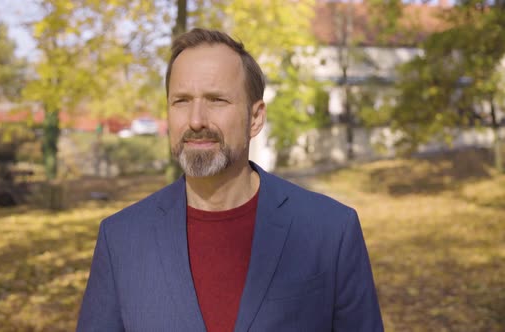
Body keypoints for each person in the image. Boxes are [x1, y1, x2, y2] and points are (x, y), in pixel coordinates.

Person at [77, 28, 383, 332]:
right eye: (181, 101)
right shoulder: (121, 239)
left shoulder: (330, 231)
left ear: (255, 118)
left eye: (216, 100)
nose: (196, 120)